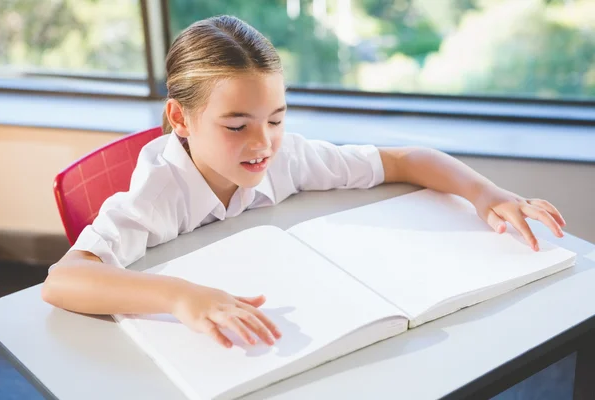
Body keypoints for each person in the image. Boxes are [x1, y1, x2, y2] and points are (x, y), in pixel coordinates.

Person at [41, 15, 566, 349]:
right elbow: (62, 282)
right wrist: (181, 297)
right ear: (180, 119)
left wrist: (486, 194)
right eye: (236, 125)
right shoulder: (158, 191)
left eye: (276, 117)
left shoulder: (287, 157)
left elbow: (407, 159)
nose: (263, 144)